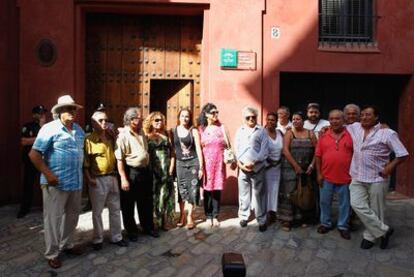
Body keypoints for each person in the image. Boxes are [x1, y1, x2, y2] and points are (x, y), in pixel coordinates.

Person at [29, 95, 85, 269]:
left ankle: (67, 245)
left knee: (73, 217)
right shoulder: (49, 129)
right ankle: (52, 253)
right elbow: (34, 154)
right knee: (53, 220)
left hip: (75, 182)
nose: (72, 111)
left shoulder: (79, 130)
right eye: (69, 108)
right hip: (55, 183)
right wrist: (48, 174)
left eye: (74, 108)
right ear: (59, 111)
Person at [347, 106, 409, 250]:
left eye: (368, 115)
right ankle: (384, 230)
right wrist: (324, 129)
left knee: (376, 209)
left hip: (377, 177)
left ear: (376, 117)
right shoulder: (354, 127)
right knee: (356, 204)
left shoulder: (387, 133)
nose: (363, 117)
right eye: (361, 115)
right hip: (357, 175)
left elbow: (402, 154)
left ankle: (370, 236)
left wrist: (390, 166)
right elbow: (337, 124)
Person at [83, 111, 128, 250]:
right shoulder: (89, 140)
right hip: (98, 179)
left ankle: (116, 236)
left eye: (106, 120)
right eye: (100, 120)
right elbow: (85, 163)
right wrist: (89, 179)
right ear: (93, 123)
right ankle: (98, 239)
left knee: (115, 209)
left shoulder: (111, 137)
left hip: (113, 177)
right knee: (97, 212)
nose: (104, 123)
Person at [115, 107, 159, 241]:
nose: (143, 120)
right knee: (128, 204)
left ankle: (148, 227)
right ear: (132, 120)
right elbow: (120, 159)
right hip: (131, 172)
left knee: (146, 201)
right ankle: (132, 231)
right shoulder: (122, 136)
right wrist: (123, 178)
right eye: (140, 117)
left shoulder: (141, 132)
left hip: (145, 171)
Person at [315, 110, 353, 240]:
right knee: (324, 202)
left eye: (337, 118)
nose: (334, 121)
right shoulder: (323, 136)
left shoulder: (351, 134)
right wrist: (319, 174)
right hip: (326, 176)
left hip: (346, 177)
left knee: (345, 204)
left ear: (343, 120)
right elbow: (318, 156)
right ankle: (325, 223)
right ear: (329, 120)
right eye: (332, 119)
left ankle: (343, 226)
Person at [198, 103, 236, 227]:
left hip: (219, 164)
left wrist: (232, 160)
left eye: (216, 112)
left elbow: (229, 145)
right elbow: (198, 148)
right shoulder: (201, 129)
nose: (215, 114)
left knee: (217, 190)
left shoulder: (222, 127)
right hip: (206, 164)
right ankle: (208, 215)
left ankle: (215, 215)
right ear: (206, 114)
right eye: (213, 112)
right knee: (207, 190)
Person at [279, 111, 317, 231]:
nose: (295, 121)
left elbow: (318, 151)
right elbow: (285, 150)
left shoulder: (310, 133)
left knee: (304, 192)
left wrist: (312, 165)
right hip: (290, 169)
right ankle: (287, 220)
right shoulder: (289, 133)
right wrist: (296, 166)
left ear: (303, 120)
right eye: (294, 119)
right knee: (289, 193)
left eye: (298, 119)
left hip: (307, 170)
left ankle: (302, 218)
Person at [235, 106, 269, 232]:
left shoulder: (262, 131)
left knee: (260, 194)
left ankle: (261, 220)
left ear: (256, 117)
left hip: (258, 167)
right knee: (243, 194)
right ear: (244, 118)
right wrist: (241, 164)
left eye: (253, 117)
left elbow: (264, 151)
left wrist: (253, 162)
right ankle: (244, 216)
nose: (251, 119)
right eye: (248, 117)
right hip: (243, 167)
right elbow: (236, 148)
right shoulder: (240, 130)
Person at [172, 108, 204, 229]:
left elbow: (198, 149)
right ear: (178, 117)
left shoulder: (193, 131)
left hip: (193, 163)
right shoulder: (173, 131)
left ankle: (190, 216)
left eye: (187, 116)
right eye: (182, 116)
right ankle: (182, 215)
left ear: (190, 118)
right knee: (181, 189)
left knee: (193, 189)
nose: (184, 118)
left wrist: (201, 167)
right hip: (180, 163)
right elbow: (173, 150)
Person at [143, 112, 175, 231]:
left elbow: (173, 153)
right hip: (153, 171)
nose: (159, 122)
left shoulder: (167, 134)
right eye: (156, 120)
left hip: (166, 170)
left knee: (165, 195)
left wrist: (171, 168)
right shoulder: (146, 135)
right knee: (154, 196)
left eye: (161, 120)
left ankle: (164, 221)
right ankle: (155, 221)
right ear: (151, 121)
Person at [17, 105, 48, 218]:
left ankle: (46, 208)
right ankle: (24, 209)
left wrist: (42, 129)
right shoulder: (28, 126)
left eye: (43, 113)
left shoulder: (47, 127)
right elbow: (24, 141)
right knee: (28, 185)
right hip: (30, 161)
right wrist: (40, 137)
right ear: (34, 114)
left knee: (45, 185)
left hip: (43, 160)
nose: (42, 115)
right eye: (39, 113)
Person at [264, 112, 283, 223]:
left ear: (277, 122)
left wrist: (279, 161)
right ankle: (266, 213)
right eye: (269, 119)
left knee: (276, 190)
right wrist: (269, 162)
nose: (271, 122)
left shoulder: (280, 133)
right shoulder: (262, 133)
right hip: (267, 167)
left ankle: (274, 212)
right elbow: (259, 150)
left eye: (273, 120)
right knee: (267, 190)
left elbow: (284, 148)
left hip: (278, 167)